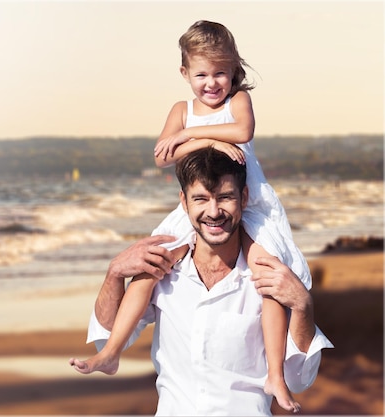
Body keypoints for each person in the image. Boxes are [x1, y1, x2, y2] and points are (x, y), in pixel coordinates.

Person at [69, 20, 310, 413]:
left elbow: (243, 132)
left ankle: (276, 375)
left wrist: (200, 138)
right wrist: (203, 138)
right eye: (201, 74)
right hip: (212, 201)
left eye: (220, 73)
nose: (212, 83)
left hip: (252, 205)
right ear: (184, 74)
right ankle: (111, 351)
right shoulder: (181, 110)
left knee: (267, 274)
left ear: (234, 70)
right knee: (151, 266)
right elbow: (164, 153)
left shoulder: (238, 102)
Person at [71, 147, 333, 415]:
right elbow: (107, 342)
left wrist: (303, 306)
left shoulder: (270, 276)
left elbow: (299, 380)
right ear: (184, 203)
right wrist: (114, 273)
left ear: (244, 198)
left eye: (225, 197)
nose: (214, 211)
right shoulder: (162, 270)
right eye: (201, 199)